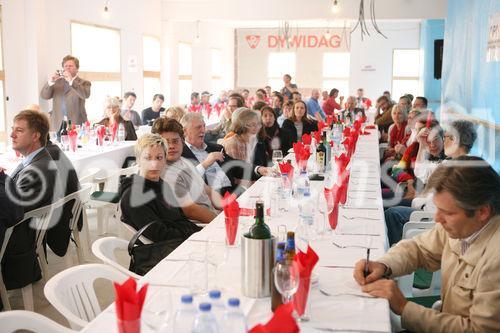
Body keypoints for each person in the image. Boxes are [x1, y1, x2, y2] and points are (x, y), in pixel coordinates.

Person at [355, 156, 500, 332]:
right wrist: (384, 265)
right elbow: (419, 249)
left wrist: (404, 307)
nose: (437, 218)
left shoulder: (495, 260)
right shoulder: (463, 228)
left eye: (447, 212)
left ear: (482, 211)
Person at [385, 120, 477, 245]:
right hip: (427, 208)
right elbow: (421, 171)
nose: (444, 141)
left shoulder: (455, 168)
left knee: (392, 214)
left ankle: (395, 253)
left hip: (433, 218)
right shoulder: (455, 163)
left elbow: (421, 174)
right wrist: (422, 145)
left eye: (445, 137)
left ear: (454, 139)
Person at [5, 110, 64, 291]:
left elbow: (11, 210)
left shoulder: (37, 171)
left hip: (17, 237)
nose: (12, 134)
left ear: (35, 135)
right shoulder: (36, 161)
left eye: (19, 130)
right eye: (12, 129)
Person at [119, 133, 201, 242]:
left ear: (165, 160)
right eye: (148, 158)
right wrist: (194, 235)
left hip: (184, 239)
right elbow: (160, 235)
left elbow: (180, 219)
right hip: (165, 251)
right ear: (138, 160)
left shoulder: (162, 185)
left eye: (159, 158)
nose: (154, 164)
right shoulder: (133, 197)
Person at [180, 113, 275, 195]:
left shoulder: (215, 148)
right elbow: (185, 180)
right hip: (210, 200)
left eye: (204, 126)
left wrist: (258, 169)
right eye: (198, 127)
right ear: (185, 131)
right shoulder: (181, 154)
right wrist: (205, 164)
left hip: (233, 193)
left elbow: (236, 166)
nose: (203, 130)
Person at [152, 118, 221, 224]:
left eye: (175, 141)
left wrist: (231, 208)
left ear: (182, 142)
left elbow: (207, 190)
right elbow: (191, 210)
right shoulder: (166, 173)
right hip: (198, 226)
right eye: (165, 142)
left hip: (213, 216)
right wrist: (221, 222)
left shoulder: (184, 161)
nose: (171, 146)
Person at [40, 55, 91, 130]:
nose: (67, 68)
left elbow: (85, 95)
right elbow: (44, 96)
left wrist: (71, 81)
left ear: (77, 68)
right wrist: (51, 81)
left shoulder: (84, 82)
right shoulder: (57, 82)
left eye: (70, 66)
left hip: (76, 123)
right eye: (65, 66)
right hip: (57, 124)